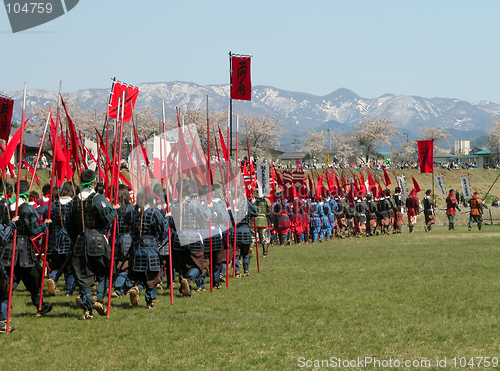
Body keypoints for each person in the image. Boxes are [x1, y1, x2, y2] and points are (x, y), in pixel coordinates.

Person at [66, 169, 119, 319]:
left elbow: (69, 226)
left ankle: (87, 309)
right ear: (94, 182)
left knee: (83, 277)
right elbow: (106, 219)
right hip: (97, 240)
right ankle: (99, 298)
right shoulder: (98, 198)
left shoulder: (74, 201)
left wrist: (76, 238)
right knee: (105, 272)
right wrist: (114, 211)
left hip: (79, 242)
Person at [0, 180, 53, 318]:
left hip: (8, 249)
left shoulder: (6, 206)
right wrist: (46, 225)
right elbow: (34, 231)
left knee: (11, 279)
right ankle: (39, 306)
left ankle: (38, 305)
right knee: (35, 277)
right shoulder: (28, 208)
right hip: (23, 250)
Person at [125, 188, 166, 309]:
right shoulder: (154, 212)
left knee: (141, 275)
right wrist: (159, 240)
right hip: (150, 246)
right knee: (152, 275)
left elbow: (127, 224)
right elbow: (162, 227)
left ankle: (137, 288)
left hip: (136, 246)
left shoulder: (133, 212)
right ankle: (150, 300)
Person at [45, 182, 77, 296]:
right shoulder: (73, 204)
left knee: (56, 264)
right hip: (69, 236)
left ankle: (53, 278)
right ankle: (68, 291)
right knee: (70, 266)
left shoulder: (53, 204)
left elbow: (46, 216)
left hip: (55, 237)